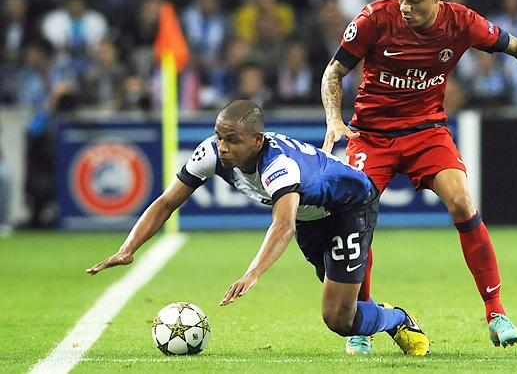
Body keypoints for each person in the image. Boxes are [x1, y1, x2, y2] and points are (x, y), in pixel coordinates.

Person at [320, 0, 517, 355]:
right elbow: (333, 72)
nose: (404, 7)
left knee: (462, 202)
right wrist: (333, 118)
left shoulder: (462, 22)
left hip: (427, 131)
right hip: (372, 136)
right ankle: (362, 320)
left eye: (414, 0)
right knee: (357, 220)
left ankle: (496, 313)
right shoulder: (374, 18)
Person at [86, 99, 430, 356]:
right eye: (219, 137)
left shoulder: (279, 165)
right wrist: (127, 249)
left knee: (337, 318)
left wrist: (252, 273)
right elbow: (166, 202)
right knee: (342, 306)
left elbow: (282, 226)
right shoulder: (211, 152)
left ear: (256, 140)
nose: (222, 147)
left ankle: (397, 318)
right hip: (308, 216)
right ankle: (369, 312)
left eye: (231, 140)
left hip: (349, 206)